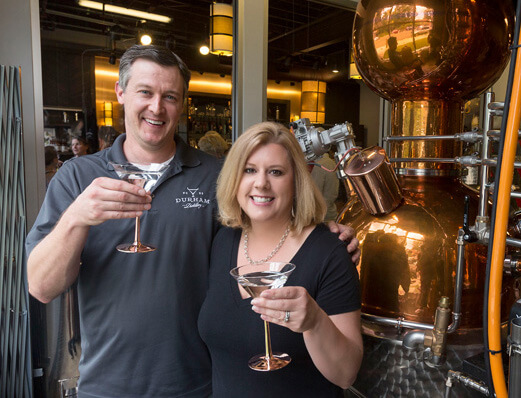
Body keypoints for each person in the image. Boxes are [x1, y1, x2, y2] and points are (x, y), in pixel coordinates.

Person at [26, 45, 360, 398]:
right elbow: (41, 287)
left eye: (169, 96)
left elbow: (264, 219)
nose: (157, 107)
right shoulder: (78, 178)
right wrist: (77, 218)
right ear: (121, 93)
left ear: (182, 103)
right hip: (107, 386)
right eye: (145, 92)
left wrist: (323, 236)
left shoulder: (214, 178)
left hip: (197, 386)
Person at [198, 122, 363, 397]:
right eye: (249, 170)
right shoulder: (221, 241)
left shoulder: (329, 253)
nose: (261, 183)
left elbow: (346, 375)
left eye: (276, 172)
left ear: (296, 181)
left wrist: (315, 323)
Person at [311, 151, 339, 221]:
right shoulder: (331, 162)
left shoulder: (318, 166)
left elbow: (314, 195)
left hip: (323, 217)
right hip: (332, 211)